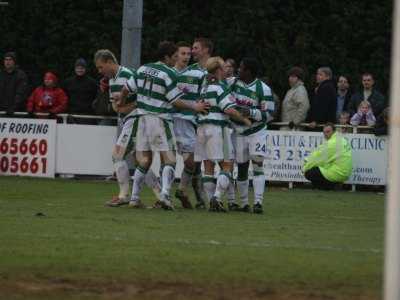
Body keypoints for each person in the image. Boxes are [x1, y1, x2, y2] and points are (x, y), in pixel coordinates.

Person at [118, 41, 209, 210]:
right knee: (170, 160)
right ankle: (165, 196)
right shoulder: (168, 73)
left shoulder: (142, 69)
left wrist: (122, 104)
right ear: (166, 57)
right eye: (174, 56)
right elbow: (175, 100)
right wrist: (194, 106)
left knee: (144, 161)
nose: (175, 60)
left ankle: (134, 198)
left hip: (141, 119)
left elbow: (125, 89)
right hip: (160, 120)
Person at [94, 49, 160, 207]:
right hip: (129, 120)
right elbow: (116, 106)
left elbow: (145, 97)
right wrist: (119, 107)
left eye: (101, 67)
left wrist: (126, 107)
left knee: (117, 155)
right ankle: (161, 195)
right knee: (140, 161)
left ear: (110, 62)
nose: (99, 71)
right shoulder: (112, 80)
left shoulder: (128, 74)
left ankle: (124, 195)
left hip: (136, 119)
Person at [195, 56, 252, 212]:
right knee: (227, 165)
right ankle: (217, 197)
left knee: (207, 166)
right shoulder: (219, 88)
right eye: (223, 67)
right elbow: (228, 109)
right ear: (219, 70)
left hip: (202, 129)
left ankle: (211, 202)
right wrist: (245, 119)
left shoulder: (204, 88)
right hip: (217, 129)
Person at [229, 58, 275, 214]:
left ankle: (258, 203)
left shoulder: (263, 89)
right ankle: (243, 203)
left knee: (257, 164)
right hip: (238, 131)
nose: (238, 70)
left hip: (256, 131)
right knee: (241, 167)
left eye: (241, 68)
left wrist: (250, 112)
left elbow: (269, 115)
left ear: (248, 71)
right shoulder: (232, 83)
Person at [173, 38, 213, 209]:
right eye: (189, 50)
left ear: (206, 50)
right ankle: (186, 193)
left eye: (195, 49)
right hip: (187, 120)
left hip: (206, 122)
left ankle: (200, 198)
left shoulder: (216, 69)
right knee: (192, 161)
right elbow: (178, 98)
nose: (192, 52)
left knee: (200, 161)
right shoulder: (188, 73)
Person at [303, 123, 352, 190]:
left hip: (338, 173)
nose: (326, 134)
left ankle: (330, 187)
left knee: (309, 172)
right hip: (345, 172)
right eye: (324, 132)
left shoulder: (332, 143)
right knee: (322, 167)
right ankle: (334, 185)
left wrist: (305, 168)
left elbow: (317, 159)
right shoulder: (341, 139)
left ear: (334, 131)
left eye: (328, 132)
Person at [63, 58, 98, 124]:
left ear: (85, 69)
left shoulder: (92, 82)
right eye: (78, 68)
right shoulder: (68, 82)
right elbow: (64, 98)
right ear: (75, 69)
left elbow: (97, 97)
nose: (80, 70)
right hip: (72, 115)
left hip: (88, 116)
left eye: (82, 68)